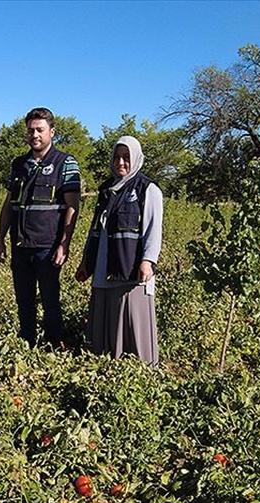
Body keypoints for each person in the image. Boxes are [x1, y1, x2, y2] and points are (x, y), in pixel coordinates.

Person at [0, 107, 81, 347]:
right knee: (24, 300)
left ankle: (54, 345)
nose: (35, 135)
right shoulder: (19, 164)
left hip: (48, 246)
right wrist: (0, 239)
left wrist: (64, 244)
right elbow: (8, 204)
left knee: (51, 299)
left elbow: (73, 207)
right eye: (31, 130)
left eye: (40, 130)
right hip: (21, 244)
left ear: (52, 132)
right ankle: (27, 345)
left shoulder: (65, 162)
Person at [74, 136, 162, 366]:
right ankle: (107, 364)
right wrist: (87, 262)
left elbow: (153, 228)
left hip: (130, 266)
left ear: (136, 159)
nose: (121, 163)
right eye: (117, 157)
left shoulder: (147, 189)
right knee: (105, 313)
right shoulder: (106, 189)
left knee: (132, 315)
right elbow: (95, 229)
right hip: (105, 263)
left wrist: (148, 260)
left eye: (126, 157)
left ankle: (139, 368)